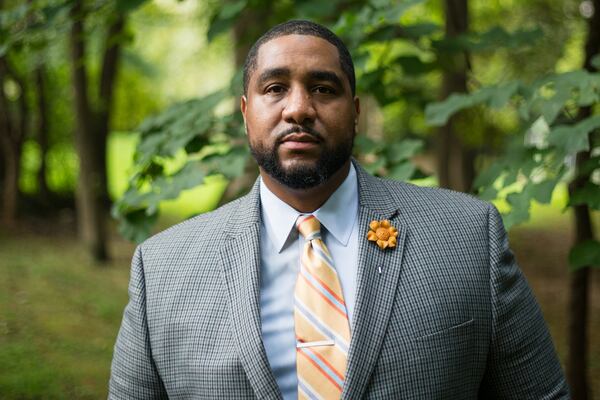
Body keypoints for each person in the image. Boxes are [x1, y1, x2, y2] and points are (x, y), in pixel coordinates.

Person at [109, 20, 569, 399]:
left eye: (322, 88)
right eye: (275, 88)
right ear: (245, 113)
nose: (299, 109)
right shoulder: (163, 267)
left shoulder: (468, 237)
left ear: (354, 112)